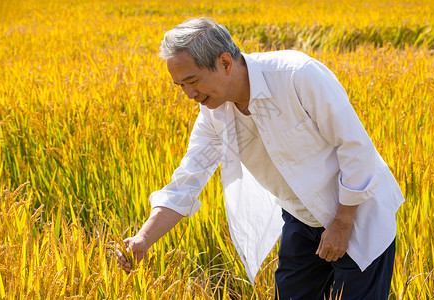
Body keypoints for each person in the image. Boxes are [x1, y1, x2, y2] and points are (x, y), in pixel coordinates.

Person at [116, 17, 404, 299]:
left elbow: (355, 147)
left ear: (225, 63)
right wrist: (143, 238)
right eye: (180, 86)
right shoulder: (214, 116)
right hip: (301, 217)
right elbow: (186, 182)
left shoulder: (296, 74)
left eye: (192, 81)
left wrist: (342, 223)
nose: (189, 94)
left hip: (358, 211)